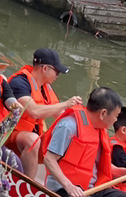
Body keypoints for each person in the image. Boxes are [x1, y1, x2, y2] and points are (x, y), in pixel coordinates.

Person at [41, 87, 126, 197]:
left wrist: (124, 172)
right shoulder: (69, 125)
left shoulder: (100, 130)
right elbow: (49, 159)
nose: (116, 121)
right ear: (103, 113)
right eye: (116, 116)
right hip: (64, 190)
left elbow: (96, 164)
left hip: (90, 188)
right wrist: (69, 187)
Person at [7, 49, 81, 180]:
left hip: (31, 136)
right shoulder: (19, 83)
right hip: (7, 136)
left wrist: (80, 123)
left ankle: (61, 183)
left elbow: (60, 114)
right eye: (57, 71)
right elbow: (34, 111)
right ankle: (27, 185)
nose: (57, 76)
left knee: (68, 139)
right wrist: (66, 104)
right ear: (45, 68)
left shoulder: (45, 88)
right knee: (33, 140)